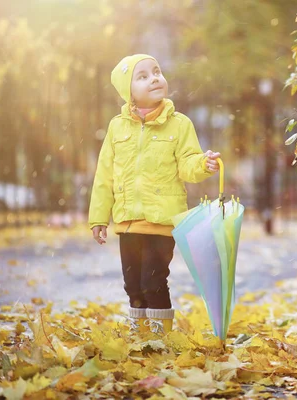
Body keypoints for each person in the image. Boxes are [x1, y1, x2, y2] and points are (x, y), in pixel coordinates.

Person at [88, 54, 221, 335]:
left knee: (153, 281)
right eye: (143, 76)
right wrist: (99, 217)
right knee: (132, 284)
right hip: (128, 222)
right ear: (129, 93)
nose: (154, 78)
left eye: (157, 71)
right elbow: (104, 175)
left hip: (161, 222)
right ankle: (141, 335)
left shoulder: (180, 124)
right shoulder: (117, 127)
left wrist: (203, 164)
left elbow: (188, 163)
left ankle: (160, 339)